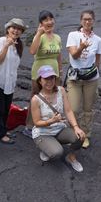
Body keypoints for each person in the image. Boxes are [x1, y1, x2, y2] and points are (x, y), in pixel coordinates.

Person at [31, 65, 86, 172]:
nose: (49, 81)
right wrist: (51, 121)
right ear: (40, 81)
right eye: (46, 78)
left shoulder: (61, 90)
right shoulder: (35, 99)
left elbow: (68, 110)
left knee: (80, 136)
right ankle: (45, 147)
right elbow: (37, 122)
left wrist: (76, 127)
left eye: (52, 78)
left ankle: (71, 157)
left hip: (59, 129)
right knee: (56, 153)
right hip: (43, 132)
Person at [22, 10, 62, 138]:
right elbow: (32, 51)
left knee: (53, 98)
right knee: (36, 98)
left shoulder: (57, 37)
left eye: (51, 19)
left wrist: (60, 70)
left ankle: (49, 123)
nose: (49, 22)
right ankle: (29, 126)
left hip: (54, 72)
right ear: (41, 23)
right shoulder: (40, 36)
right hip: (39, 73)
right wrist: (39, 33)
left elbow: (59, 55)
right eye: (46, 20)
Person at [66, 10, 101, 149]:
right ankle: (73, 133)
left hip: (91, 79)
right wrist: (81, 47)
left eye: (90, 19)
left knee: (88, 109)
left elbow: (97, 59)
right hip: (75, 78)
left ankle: (85, 135)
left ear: (93, 21)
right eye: (85, 19)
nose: (87, 22)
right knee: (74, 108)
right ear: (81, 20)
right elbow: (74, 56)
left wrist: (96, 71)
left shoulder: (97, 39)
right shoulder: (73, 35)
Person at [0, 18, 27, 144]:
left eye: (19, 29)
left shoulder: (18, 45)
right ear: (8, 29)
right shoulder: (1, 41)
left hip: (9, 83)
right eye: (13, 28)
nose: (16, 31)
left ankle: (4, 130)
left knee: (6, 108)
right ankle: (0, 135)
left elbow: (14, 67)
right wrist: (6, 46)